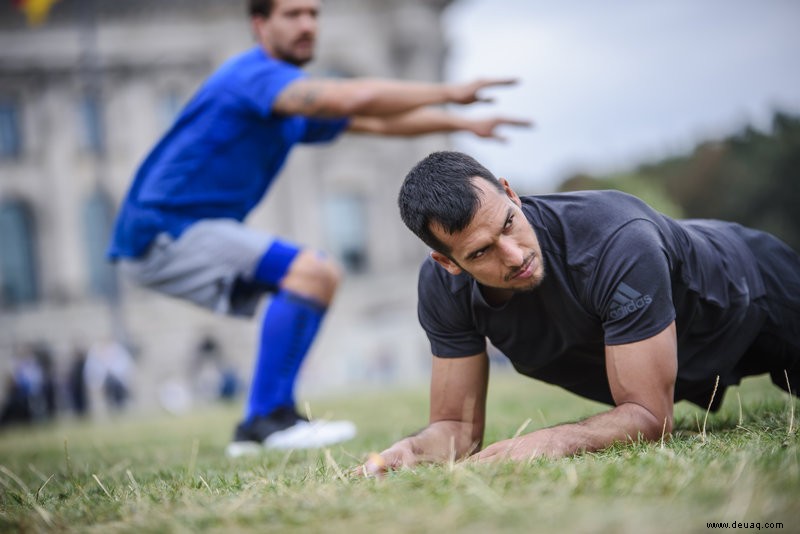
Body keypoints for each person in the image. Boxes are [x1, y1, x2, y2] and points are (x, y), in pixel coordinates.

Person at [107, 0, 530, 457]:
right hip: (164, 228)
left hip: (185, 230)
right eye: (292, 14)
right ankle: (267, 420)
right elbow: (351, 97)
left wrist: (463, 123)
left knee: (315, 277)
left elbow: (369, 121)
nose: (307, 24)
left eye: (313, 13)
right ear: (259, 24)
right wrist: (449, 91)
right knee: (311, 272)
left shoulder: (284, 106)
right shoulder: (253, 76)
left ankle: (264, 421)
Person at [361, 150, 799, 473]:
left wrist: (550, 440)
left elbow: (649, 416)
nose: (514, 256)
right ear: (448, 264)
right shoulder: (441, 287)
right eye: (480, 252)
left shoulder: (617, 240)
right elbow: (456, 425)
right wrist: (410, 452)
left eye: (509, 223)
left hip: (758, 291)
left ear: (511, 193)